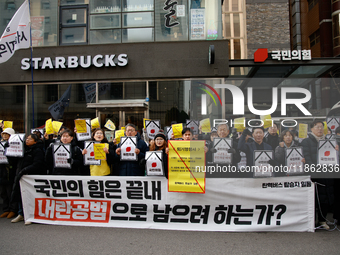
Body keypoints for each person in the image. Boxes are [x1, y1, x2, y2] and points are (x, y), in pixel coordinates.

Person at [301, 120, 336, 230]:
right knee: (314, 199)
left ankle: (322, 220)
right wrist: (315, 170)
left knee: (325, 198)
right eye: (317, 127)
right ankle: (312, 221)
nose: (320, 129)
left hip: (327, 174)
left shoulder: (329, 141)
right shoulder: (306, 141)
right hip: (315, 174)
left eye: (321, 127)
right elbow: (306, 157)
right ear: (311, 129)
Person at [11, 134, 46, 224]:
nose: (27, 140)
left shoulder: (38, 150)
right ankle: (21, 214)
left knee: (30, 196)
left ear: (35, 141)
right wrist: (9, 151)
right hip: (21, 175)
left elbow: (37, 164)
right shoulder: (22, 149)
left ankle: (30, 215)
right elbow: (13, 161)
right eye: (27, 138)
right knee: (20, 194)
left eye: (30, 139)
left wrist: (25, 170)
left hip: (30, 176)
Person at [0, 128, 18, 219]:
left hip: (10, 170)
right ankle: (6, 209)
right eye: (3, 134)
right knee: (3, 192)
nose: (4, 136)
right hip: (2, 170)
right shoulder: (1, 143)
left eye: (7, 134)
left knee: (11, 191)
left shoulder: (14, 144)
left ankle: (13, 209)